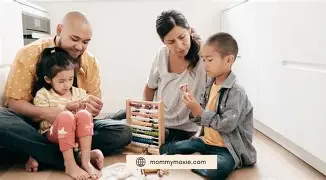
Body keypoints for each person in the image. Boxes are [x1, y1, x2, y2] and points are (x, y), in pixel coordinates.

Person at [0, 11, 132, 173]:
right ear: (59, 30)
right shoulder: (29, 54)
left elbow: (89, 115)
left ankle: (38, 153)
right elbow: (13, 104)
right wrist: (47, 113)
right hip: (35, 127)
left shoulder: (90, 63)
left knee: (122, 132)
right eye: (74, 39)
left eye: (85, 42)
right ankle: (74, 157)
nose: (79, 46)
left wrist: (91, 110)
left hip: (74, 128)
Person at [159, 32, 257, 179]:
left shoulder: (237, 92)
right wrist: (193, 108)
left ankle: (194, 162)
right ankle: (191, 159)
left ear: (229, 60)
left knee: (220, 167)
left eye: (209, 60)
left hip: (227, 149)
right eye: (203, 60)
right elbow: (202, 119)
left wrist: (200, 112)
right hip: (206, 142)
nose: (204, 65)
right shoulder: (210, 85)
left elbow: (227, 125)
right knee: (170, 148)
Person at [109, 9, 206, 143]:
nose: (179, 46)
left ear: (189, 30)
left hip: (186, 129)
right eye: (171, 42)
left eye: (182, 37)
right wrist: (147, 117)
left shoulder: (206, 57)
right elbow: (150, 88)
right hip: (158, 121)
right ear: (163, 41)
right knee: (120, 116)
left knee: (125, 134)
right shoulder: (162, 54)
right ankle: (89, 126)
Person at [32, 47, 102, 179]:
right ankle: (70, 164)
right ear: (48, 80)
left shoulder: (78, 93)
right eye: (61, 81)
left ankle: (85, 161)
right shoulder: (43, 95)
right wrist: (66, 108)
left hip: (76, 136)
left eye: (70, 79)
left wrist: (87, 109)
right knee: (66, 116)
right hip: (53, 135)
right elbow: (39, 118)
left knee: (85, 115)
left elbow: (88, 121)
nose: (67, 85)